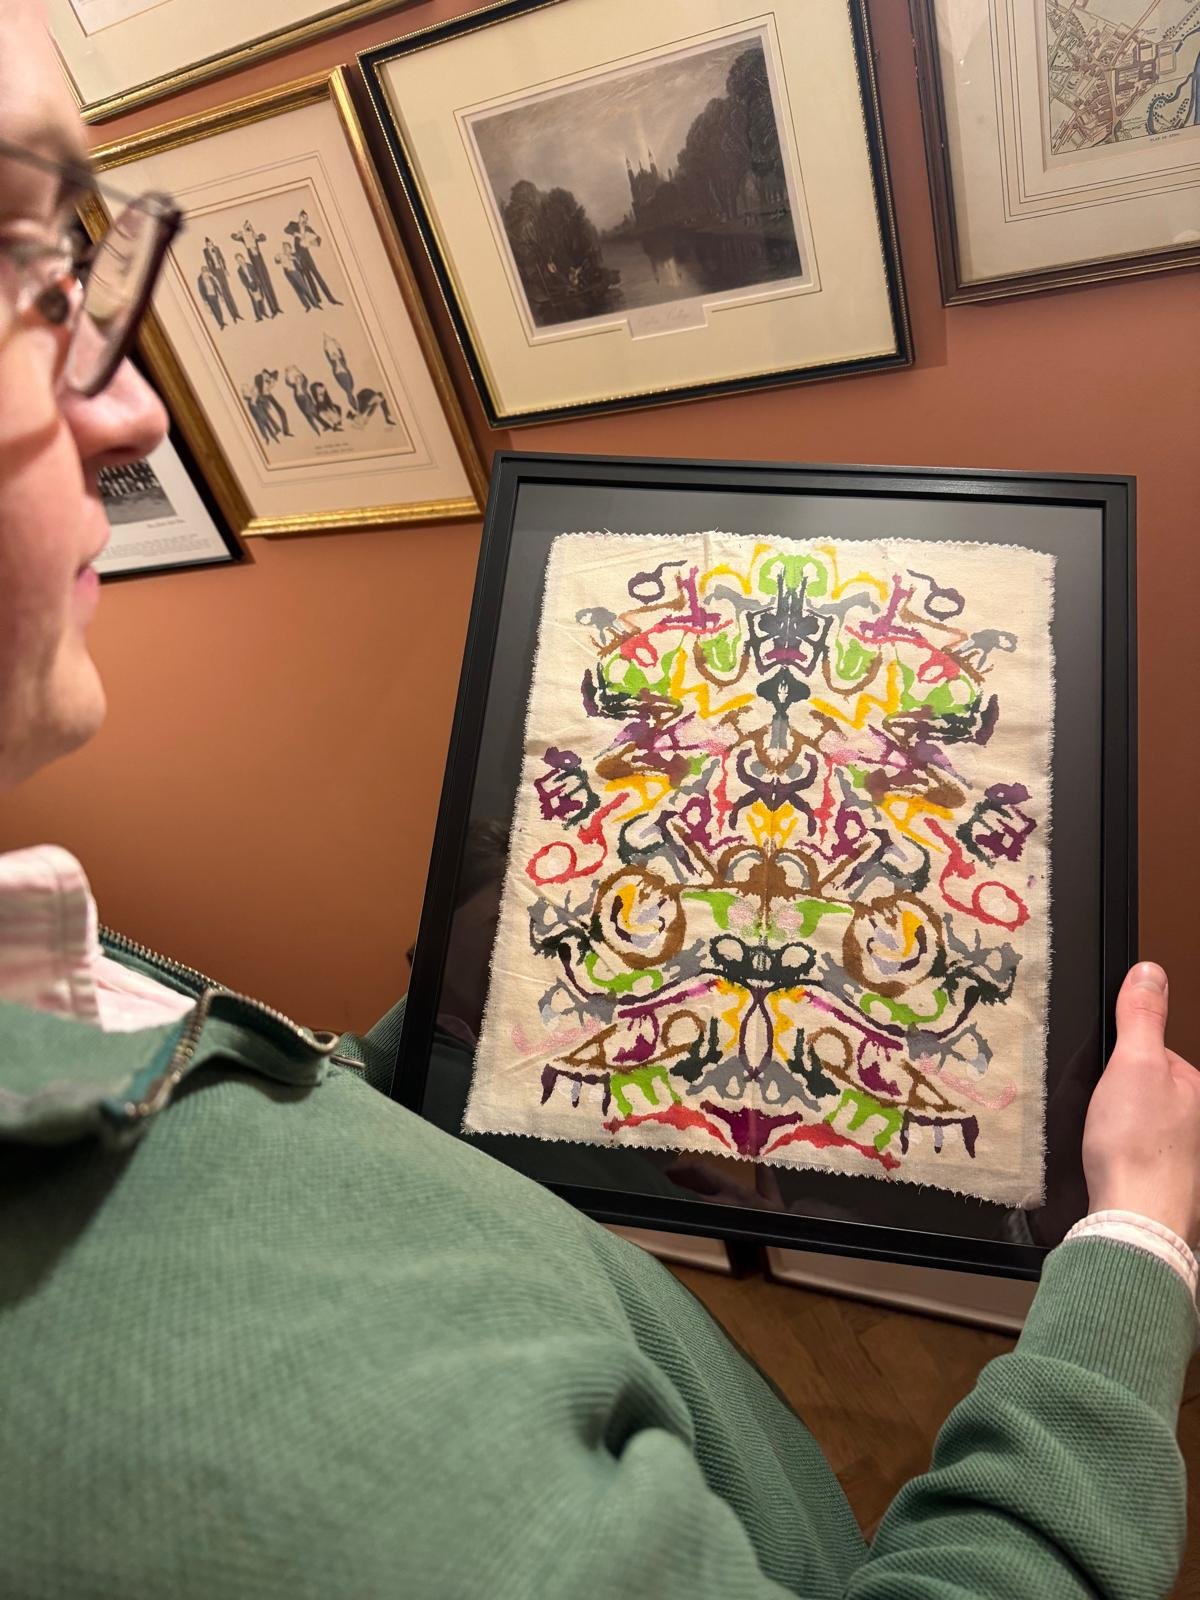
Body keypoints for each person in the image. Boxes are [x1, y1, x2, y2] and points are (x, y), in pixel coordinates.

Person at [0, 6, 1197, 1597]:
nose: (138, 405)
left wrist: (452, 1028)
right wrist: (1133, 1260)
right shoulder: (286, 1464)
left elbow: (221, 1130)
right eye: (20, 268)